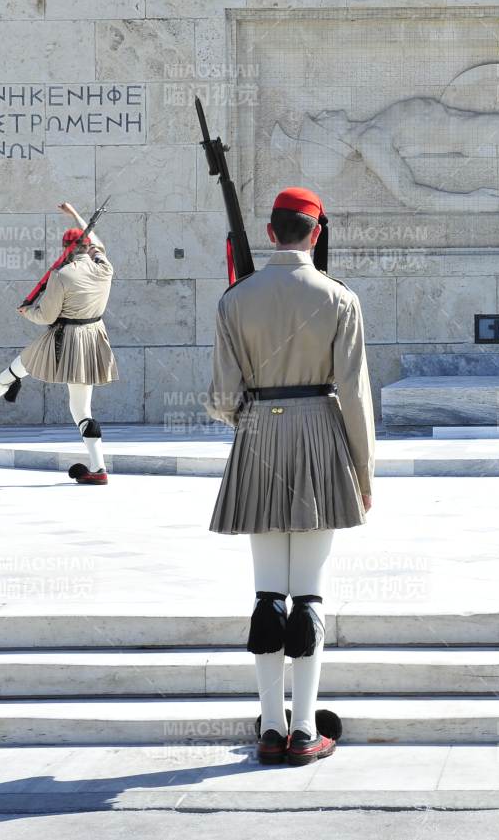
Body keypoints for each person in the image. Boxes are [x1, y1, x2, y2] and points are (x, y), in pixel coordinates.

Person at [204, 186, 374, 767]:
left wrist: (255, 419)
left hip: (258, 437)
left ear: (271, 233)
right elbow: (353, 395)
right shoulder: (340, 299)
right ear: (316, 234)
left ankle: (270, 728)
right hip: (322, 437)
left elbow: (222, 399)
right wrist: (364, 472)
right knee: (310, 595)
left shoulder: (235, 298)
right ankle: (305, 729)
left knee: (266, 595)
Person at [0, 203, 118, 483]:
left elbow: (46, 314)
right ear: (87, 246)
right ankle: (99, 469)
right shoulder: (104, 268)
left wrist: (27, 311)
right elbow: (97, 242)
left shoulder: (62, 275)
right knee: (82, 410)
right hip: (94, 337)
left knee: (18, 367)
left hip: (64, 337)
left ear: (65, 249)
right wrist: (76, 216)